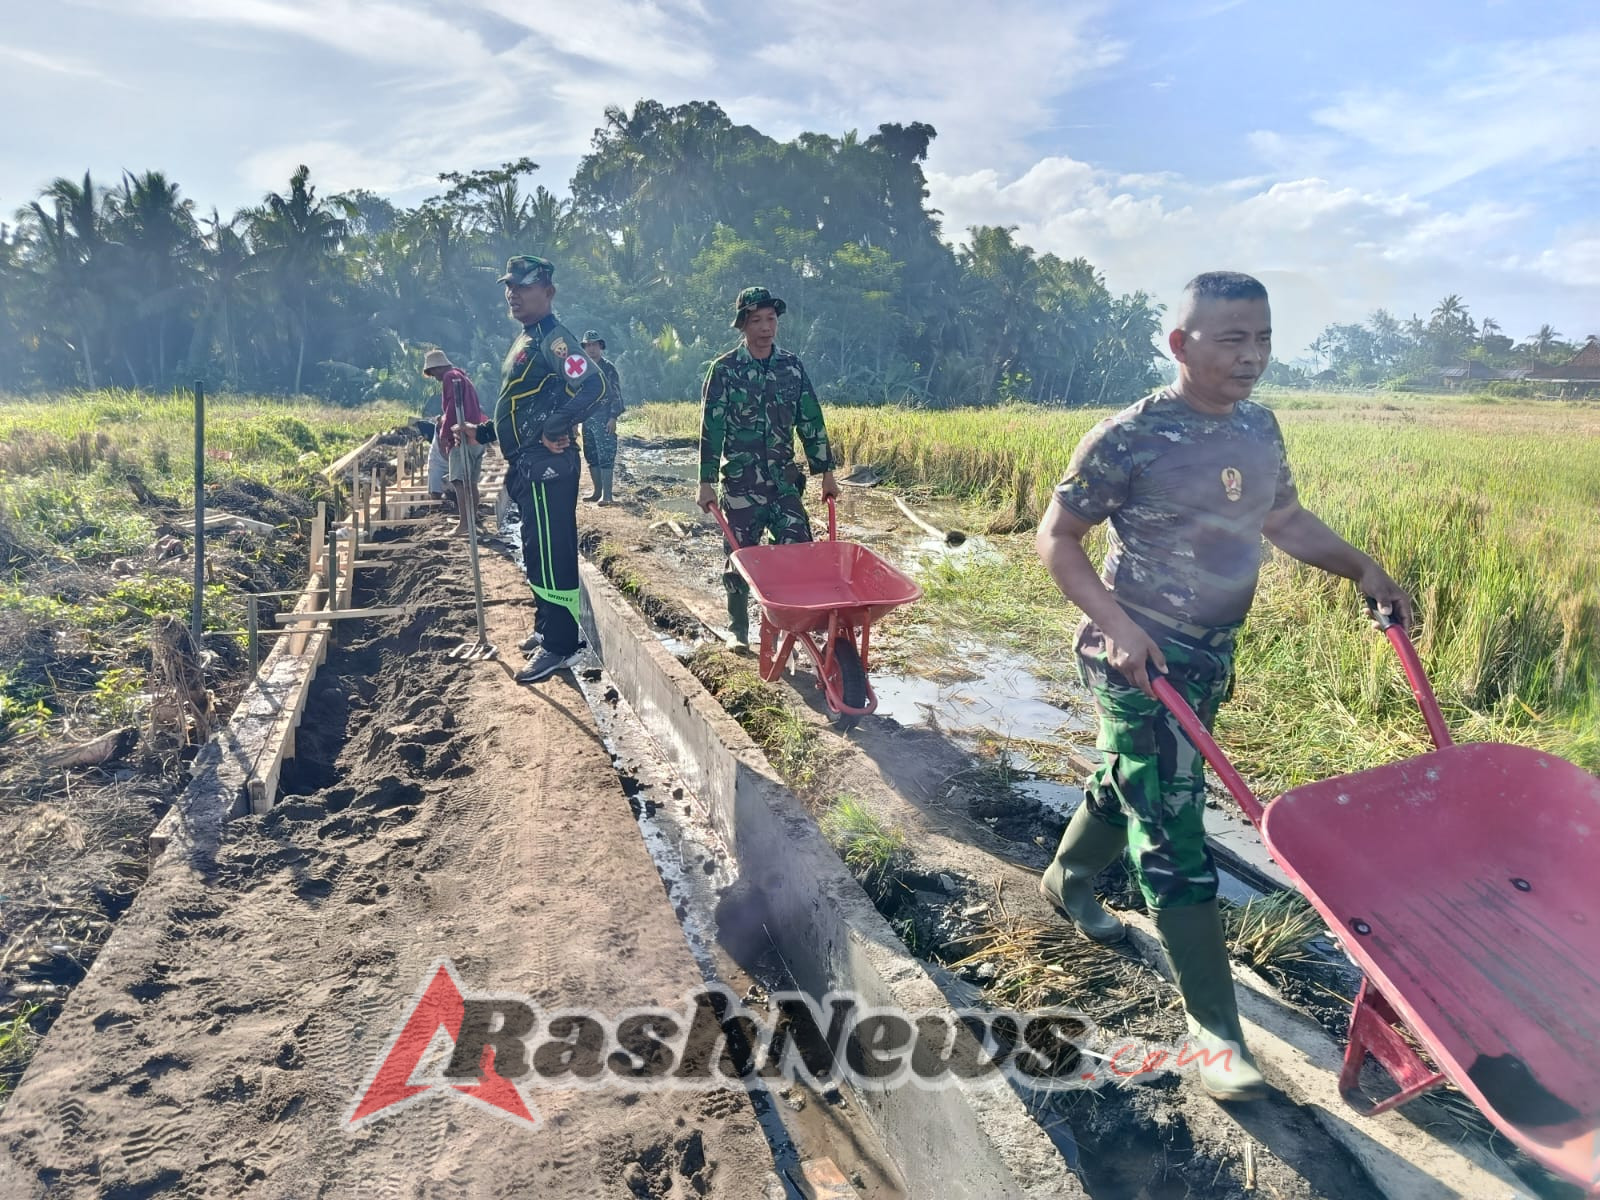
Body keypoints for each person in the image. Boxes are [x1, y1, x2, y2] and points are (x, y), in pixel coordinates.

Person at [1034, 271, 1412, 1102]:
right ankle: (1215, 1032)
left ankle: (1066, 877)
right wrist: (1118, 626)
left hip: (1208, 656)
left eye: (1263, 338)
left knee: (1138, 778)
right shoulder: (1129, 436)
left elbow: (1283, 519)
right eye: (1233, 338)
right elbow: (1057, 537)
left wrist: (1362, 567)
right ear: (1181, 344)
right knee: (1172, 825)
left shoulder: (1257, 427)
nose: (1252, 355)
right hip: (1137, 658)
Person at [460, 255, 608, 682]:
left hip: (549, 465)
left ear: (548, 292)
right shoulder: (526, 339)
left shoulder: (554, 339)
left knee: (551, 551)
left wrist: (555, 427)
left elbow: (593, 385)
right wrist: (482, 433)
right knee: (535, 548)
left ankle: (561, 645)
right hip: (528, 462)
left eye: (523, 287)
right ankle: (547, 628)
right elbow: (520, 407)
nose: (513, 294)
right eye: (509, 287)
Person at [696, 286, 839, 648]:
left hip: (783, 483)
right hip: (741, 485)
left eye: (771, 319)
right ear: (743, 325)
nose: (765, 327)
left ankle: (786, 625)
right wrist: (706, 481)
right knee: (740, 558)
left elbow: (811, 420)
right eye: (756, 320)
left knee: (798, 550)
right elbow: (712, 428)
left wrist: (826, 473)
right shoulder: (724, 370)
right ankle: (738, 628)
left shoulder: (791, 367)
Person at [422, 348, 485, 536]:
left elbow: (452, 409)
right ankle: (473, 519)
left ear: (437, 368)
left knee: (459, 481)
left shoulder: (450, 377)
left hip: (461, 437)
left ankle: (464, 524)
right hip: (475, 435)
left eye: (433, 373)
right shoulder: (462, 377)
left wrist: (444, 434)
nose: (434, 377)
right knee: (471, 482)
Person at [579, 330, 624, 506]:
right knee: (591, 455)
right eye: (588, 345)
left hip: (604, 418)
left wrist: (613, 417)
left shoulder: (608, 368)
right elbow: (576, 394)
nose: (591, 349)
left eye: (594, 345)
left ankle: (607, 495)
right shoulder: (582, 368)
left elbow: (616, 395)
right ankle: (597, 492)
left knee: (606, 455)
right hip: (587, 419)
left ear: (600, 346)